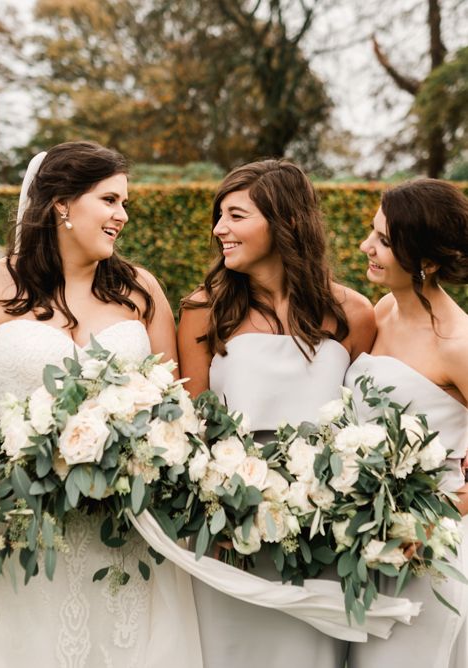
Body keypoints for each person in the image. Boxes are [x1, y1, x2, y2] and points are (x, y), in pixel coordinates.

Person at [0, 141, 202, 667]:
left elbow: (178, 408)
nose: (121, 216)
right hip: (15, 528)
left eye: (123, 204)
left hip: (119, 531)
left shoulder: (140, 291)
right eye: (109, 201)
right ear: (61, 204)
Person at [177, 159, 375, 668]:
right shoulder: (205, 309)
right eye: (219, 216)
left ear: (287, 221)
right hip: (229, 533)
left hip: (324, 534)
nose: (220, 229)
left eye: (236, 215)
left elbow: (368, 416)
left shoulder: (353, 313)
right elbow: (191, 424)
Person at [344, 178, 468, 667]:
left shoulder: (456, 344)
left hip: (430, 548)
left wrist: (459, 497)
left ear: (428, 261)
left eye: (384, 241)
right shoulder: (385, 309)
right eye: (372, 233)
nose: (366, 247)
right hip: (373, 543)